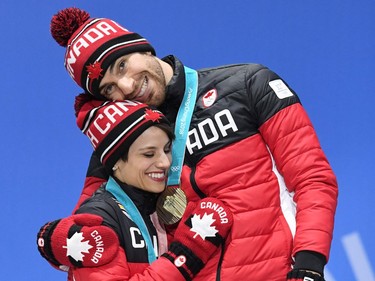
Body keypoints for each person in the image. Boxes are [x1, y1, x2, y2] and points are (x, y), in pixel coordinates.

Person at [39, 7, 338, 281]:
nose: (127, 87)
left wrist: (309, 265)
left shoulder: (248, 84)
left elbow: (312, 178)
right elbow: (88, 232)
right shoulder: (119, 145)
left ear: (141, 47)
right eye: (109, 88)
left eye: (121, 66)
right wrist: (56, 240)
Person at [37, 97, 233, 281]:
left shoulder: (161, 204)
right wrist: (188, 253)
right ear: (115, 162)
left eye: (166, 150)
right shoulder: (99, 220)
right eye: (149, 154)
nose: (165, 162)